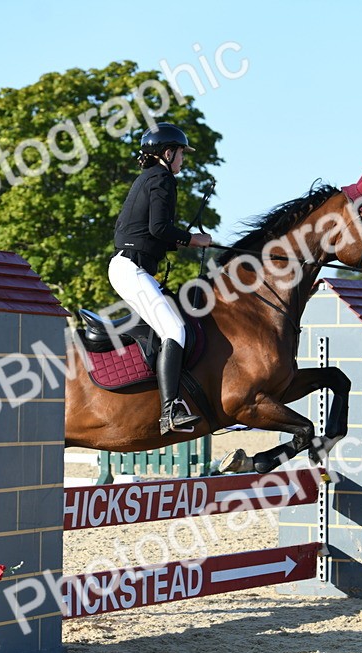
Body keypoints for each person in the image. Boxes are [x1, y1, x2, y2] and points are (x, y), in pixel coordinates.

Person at [111, 123, 213, 434]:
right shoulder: (162, 179)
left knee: (174, 323)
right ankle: (170, 411)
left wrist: (182, 240)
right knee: (175, 329)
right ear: (168, 153)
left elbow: (148, 233)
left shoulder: (149, 178)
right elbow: (158, 228)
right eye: (181, 153)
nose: (182, 159)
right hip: (132, 270)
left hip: (132, 266)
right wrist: (191, 239)